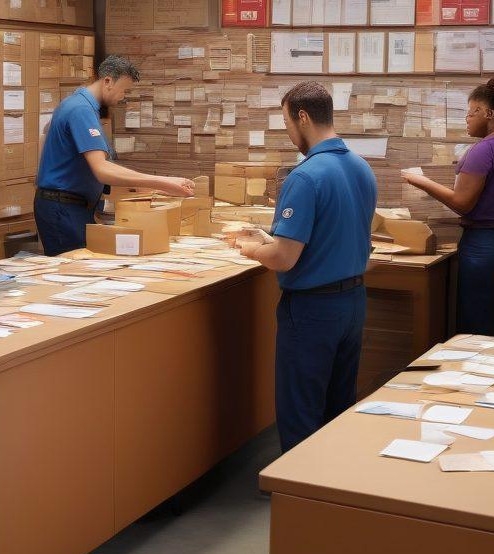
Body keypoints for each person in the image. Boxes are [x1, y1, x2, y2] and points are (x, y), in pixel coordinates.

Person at [235, 82, 377, 453]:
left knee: (301, 408)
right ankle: (326, 486)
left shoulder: (305, 175)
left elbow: (284, 257)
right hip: (353, 303)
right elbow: (328, 234)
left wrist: (250, 248)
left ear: (302, 116)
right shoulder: (361, 167)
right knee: (338, 403)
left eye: (286, 121)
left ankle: (295, 498)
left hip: (313, 309)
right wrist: (268, 236)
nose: (288, 132)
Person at [402, 76, 494, 336]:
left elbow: (462, 203)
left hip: (484, 246)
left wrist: (421, 181)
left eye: (471, 112)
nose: (467, 119)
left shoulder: (484, 149)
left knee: (476, 327)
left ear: (487, 112)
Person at [34, 55, 195, 255]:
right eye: (124, 90)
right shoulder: (80, 110)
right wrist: (165, 182)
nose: (123, 96)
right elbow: (101, 170)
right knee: (77, 274)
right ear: (108, 81)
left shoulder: (82, 105)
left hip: (72, 206)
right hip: (63, 208)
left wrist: (149, 189)